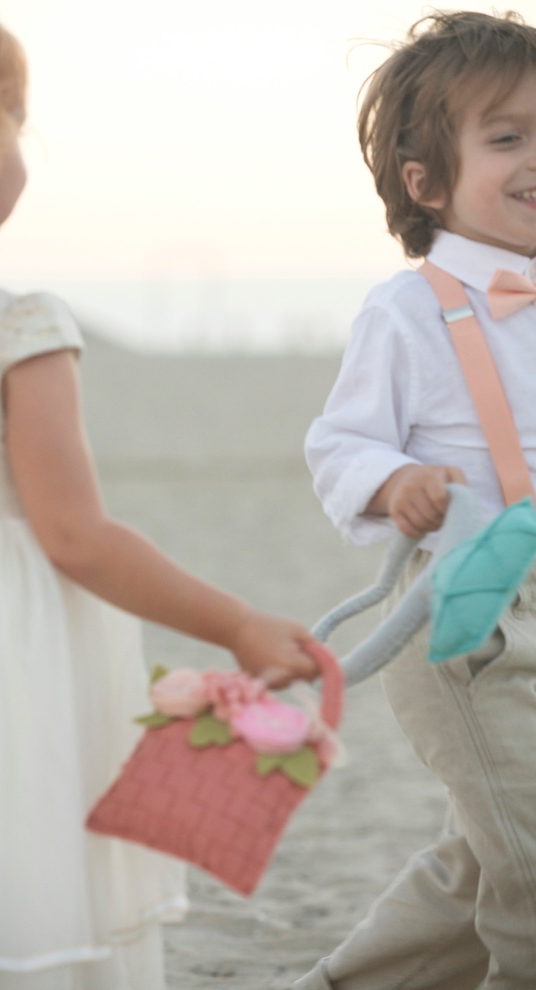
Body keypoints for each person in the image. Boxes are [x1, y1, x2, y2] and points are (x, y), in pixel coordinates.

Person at [0, 1, 327, 987]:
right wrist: (237, 621)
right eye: (17, 127)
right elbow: (76, 536)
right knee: (4, 870)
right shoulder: (17, 324)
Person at [295, 10, 536, 990]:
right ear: (425, 184)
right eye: (508, 136)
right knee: (530, 856)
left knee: (489, 853)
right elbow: (340, 442)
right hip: (468, 621)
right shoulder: (407, 308)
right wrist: (398, 482)